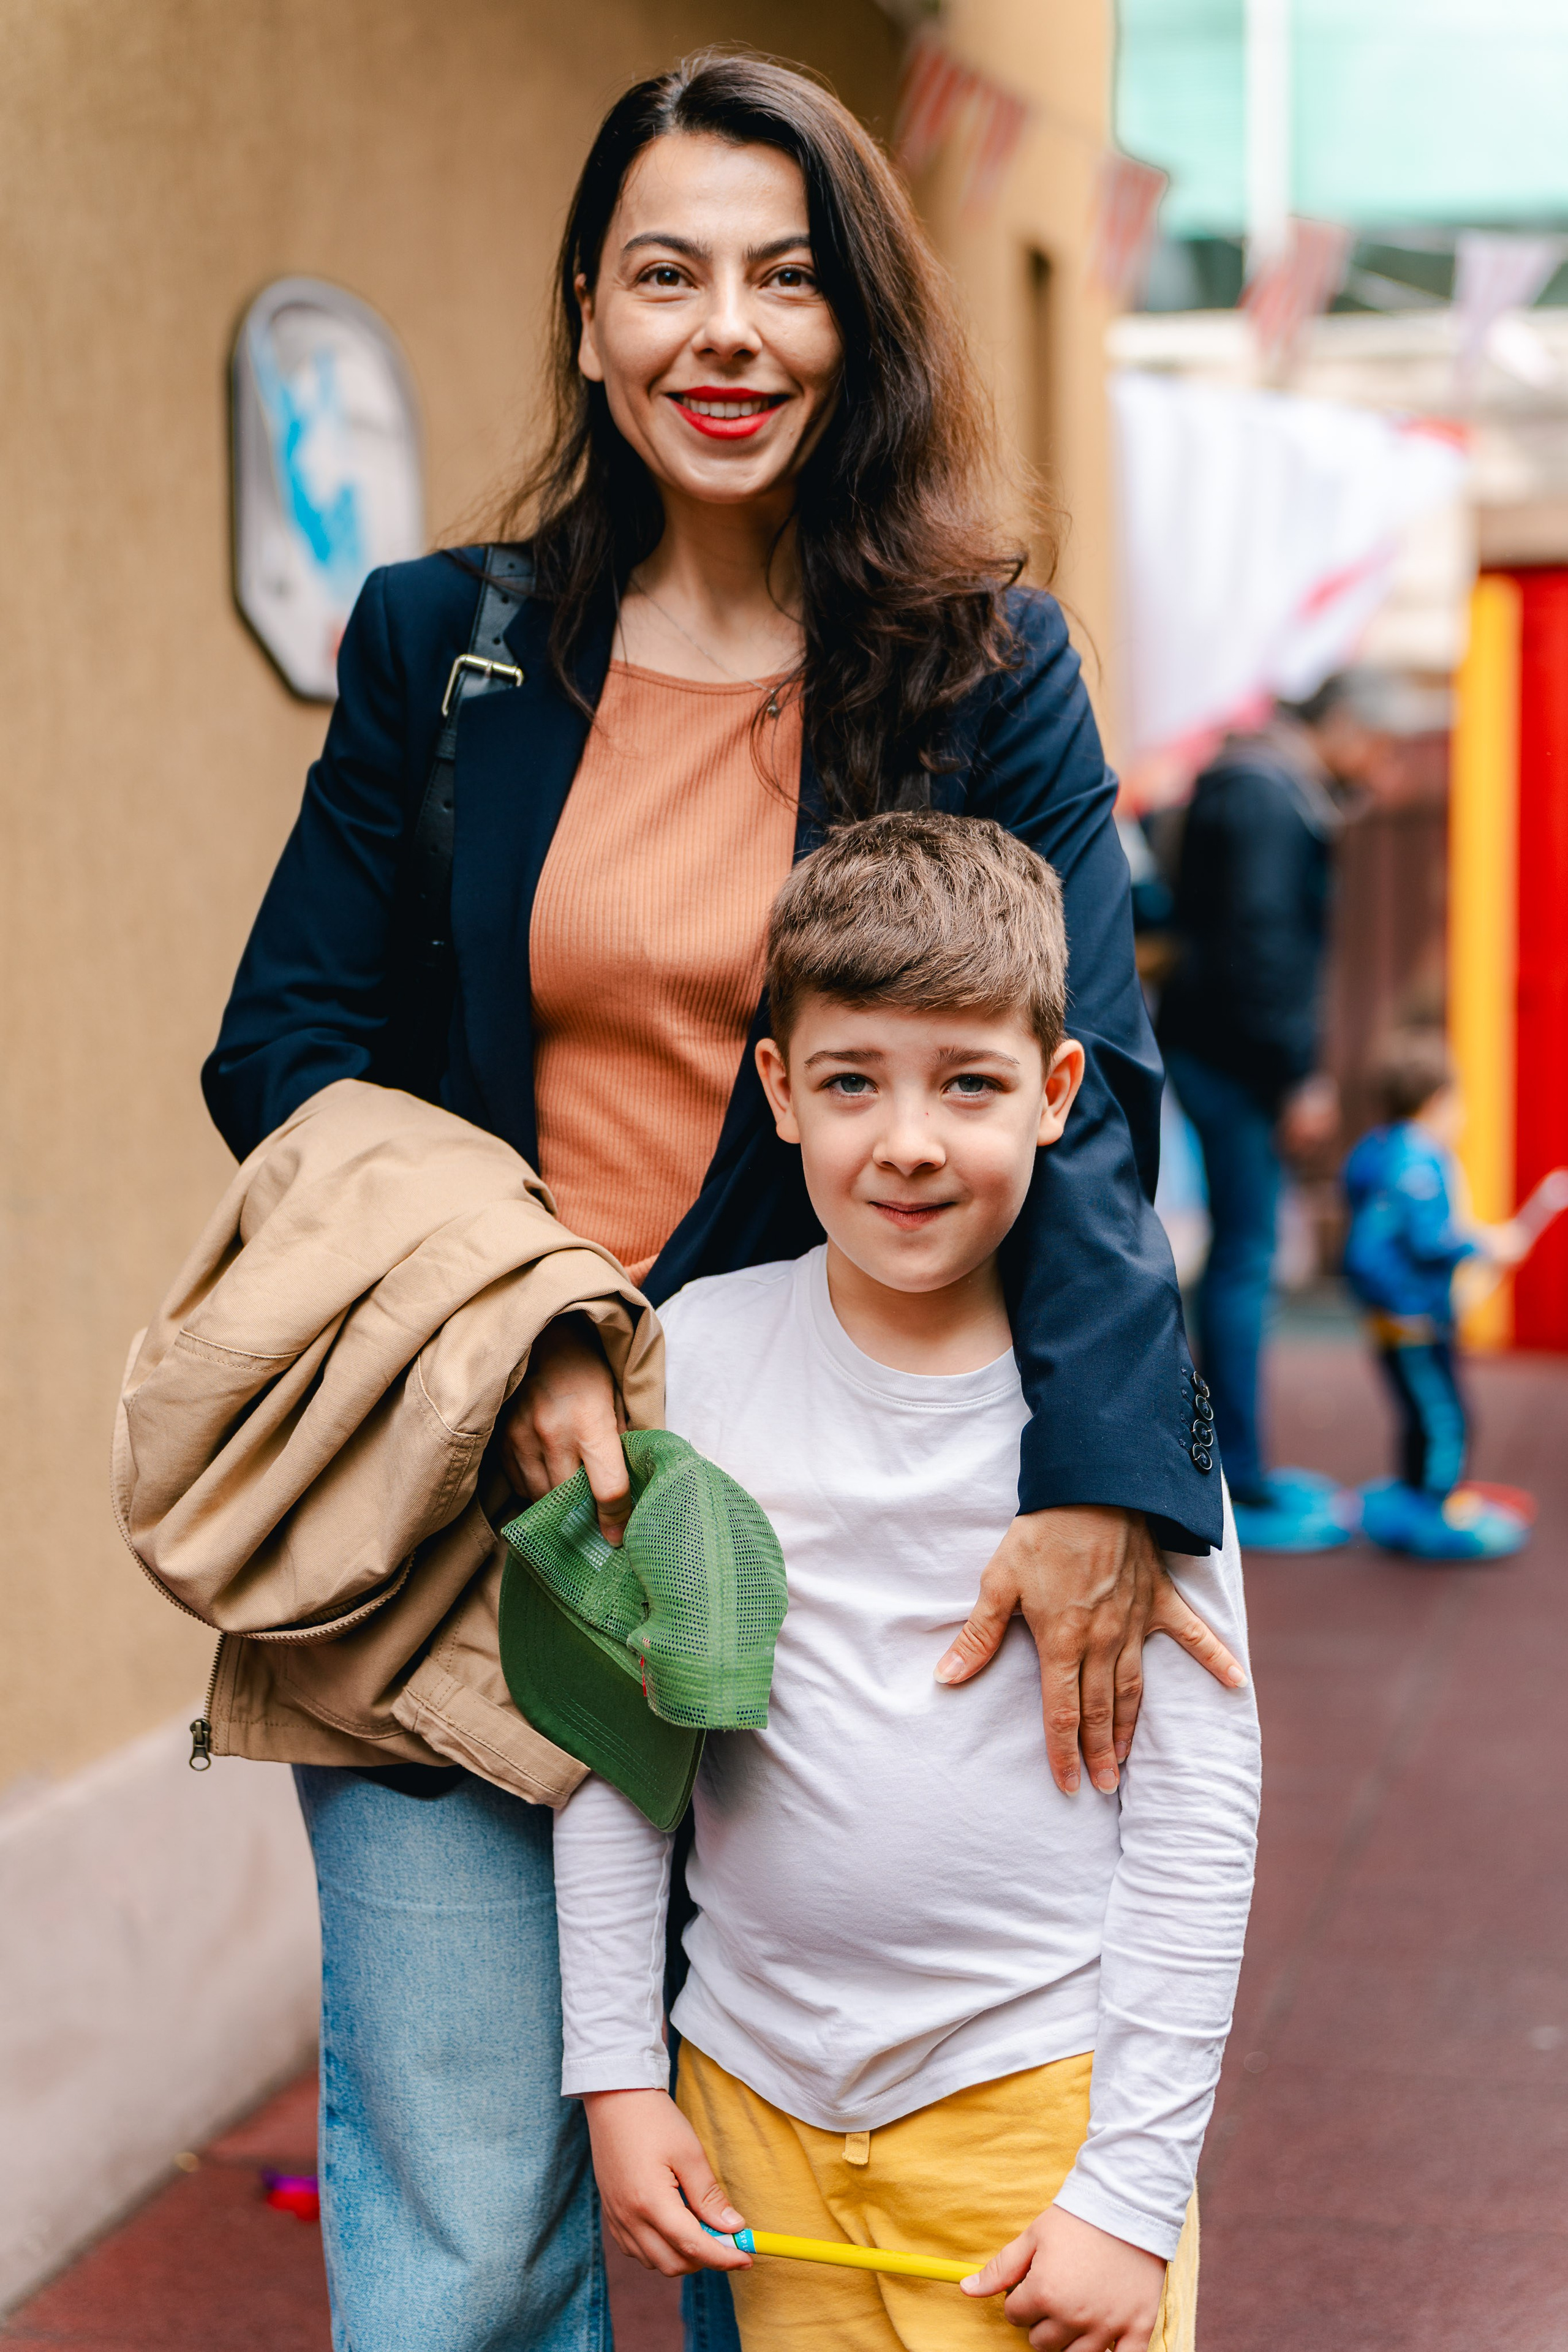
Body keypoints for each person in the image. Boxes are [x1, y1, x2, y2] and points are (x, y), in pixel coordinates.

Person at [200, 53, 1238, 2352]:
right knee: (473, 2231)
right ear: (587, 317)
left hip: (832, 1517)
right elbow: (282, 1049)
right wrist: (536, 1330)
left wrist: (1097, 1477)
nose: (724, 332)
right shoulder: (434, 644)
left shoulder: (978, 667)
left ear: (855, 327)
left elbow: (1086, 1087)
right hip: (475, 1510)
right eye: (664, 274)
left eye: (785, 279)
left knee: (793, 2182)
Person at [552, 815, 1260, 2352]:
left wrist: (1128, 2195)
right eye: (852, 1078)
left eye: (969, 1082)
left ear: (1057, 1089)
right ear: (778, 1090)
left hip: (1028, 2124)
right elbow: (625, 1742)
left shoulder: (1122, 1420)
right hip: (752, 2100)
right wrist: (615, 2073)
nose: (909, 1138)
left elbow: (1199, 1816)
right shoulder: (701, 1356)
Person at [1156, 671, 1414, 1554]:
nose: (1380, 773)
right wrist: (1296, 1075)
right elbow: (1262, 944)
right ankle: (1237, 1477)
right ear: (1343, 725)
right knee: (1244, 1260)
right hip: (1235, 1061)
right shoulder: (1271, 797)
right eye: (1378, 748)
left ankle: (1227, 1464)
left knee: (1232, 1258)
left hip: (1210, 1048)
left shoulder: (1246, 782)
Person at [1343, 1028, 1567, 1561]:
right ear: (1437, 1101)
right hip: (1414, 1316)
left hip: (1387, 1317)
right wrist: (1486, 1243)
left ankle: (1415, 1491)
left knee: (1418, 1410)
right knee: (1446, 1416)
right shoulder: (1421, 1159)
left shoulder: (1374, 1150)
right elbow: (1429, 1237)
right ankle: (1439, 1506)